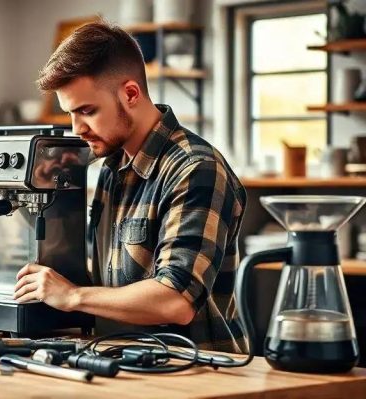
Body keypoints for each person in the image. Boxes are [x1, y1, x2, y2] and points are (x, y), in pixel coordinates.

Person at [13, 20, 247, 353]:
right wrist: (47, 193)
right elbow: (97, 276)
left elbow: (175, 300)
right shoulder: (112, 165)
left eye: (88, 111)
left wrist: (72, 296)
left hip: (192, 371)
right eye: (71, 113)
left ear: (131, 94)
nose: (77, 128)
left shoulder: (195, 169)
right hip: (119, 361)